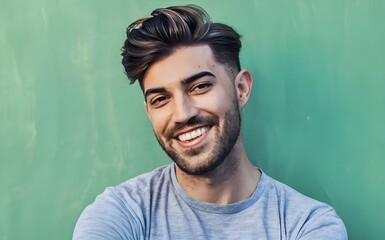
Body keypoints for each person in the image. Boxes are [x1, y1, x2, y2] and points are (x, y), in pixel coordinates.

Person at [73, 5, 347, 240]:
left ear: (241, 89)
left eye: (200, 86)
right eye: (160, 99)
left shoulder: (307, 225)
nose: (182, 114)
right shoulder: (120, 214)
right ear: (149, 112)